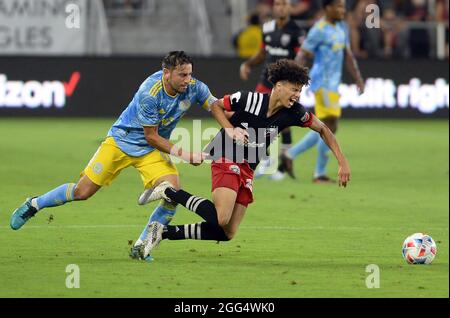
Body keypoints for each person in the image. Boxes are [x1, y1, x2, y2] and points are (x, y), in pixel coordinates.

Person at [9, 51, 217, 259]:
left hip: (150, 151)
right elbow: (151, 136)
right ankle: (34, 204)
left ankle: (142, 246)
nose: (188, 80)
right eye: (182, 75)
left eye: (189, 74)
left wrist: (237, 123)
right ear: (166, 73)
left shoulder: (193, 87)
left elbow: (216, 105)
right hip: (120, 142)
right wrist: (186, 154)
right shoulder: (150, 92)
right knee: (82, 192)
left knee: (173, 193)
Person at [137, 59, 351, 259]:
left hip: (248, 166)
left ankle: (163, 232)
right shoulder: (248, 99)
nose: (297, 95)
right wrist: (230, 130)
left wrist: (342, 161)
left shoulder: (294, 112)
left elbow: (323, 129)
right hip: (226, 154)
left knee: (227, 232)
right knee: (221, 218)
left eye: (300, 91)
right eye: (294, 89)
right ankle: (168, 191)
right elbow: (216, 106)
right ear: (279, 85)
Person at [271, 0, 364, 183]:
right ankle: (318, 172)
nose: (342, 10)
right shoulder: (318, 29)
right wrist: (292, 77)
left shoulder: (342, 28)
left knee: (330, 125)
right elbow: (303, 54)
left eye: (343, 7)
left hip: (334, 84)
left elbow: (348, 55)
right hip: (322, 83)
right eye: (338, 6)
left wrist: (358, 77)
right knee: (329, 124)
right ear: (327, 8)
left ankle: (292, 155)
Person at [240, 0, 307, 178]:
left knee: (284, 123)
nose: (281, 7)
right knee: (255, 118)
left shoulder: (296, 31)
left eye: (284, 4)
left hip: (286, 84)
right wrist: (248, 64)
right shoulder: (267, 27)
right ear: (274, 7)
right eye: (278, 4)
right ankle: (266, 158)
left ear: (289, 7)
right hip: (266, 80)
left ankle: (282, 168)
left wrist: (293, 81)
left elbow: (301, 57)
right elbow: (263, 53)